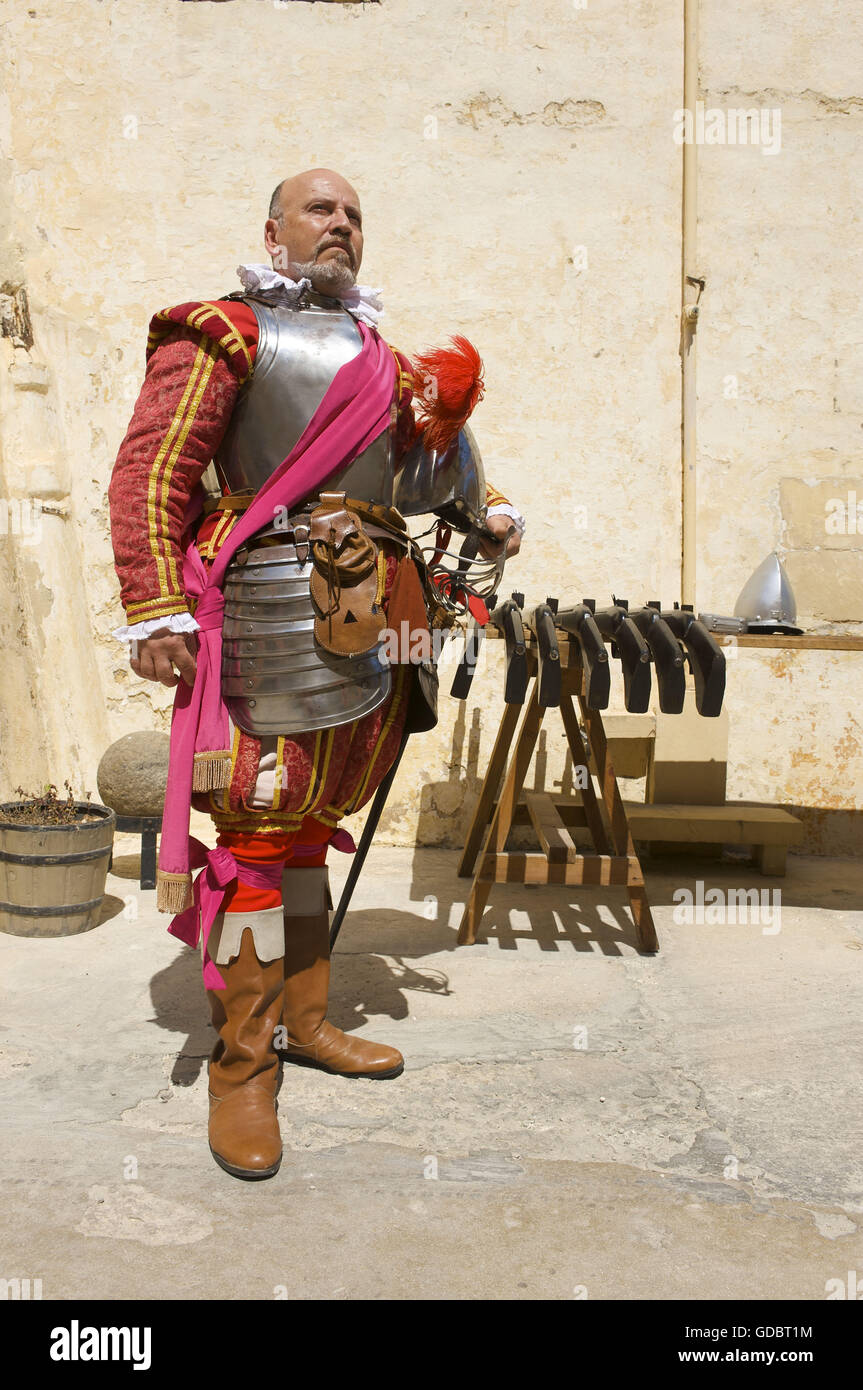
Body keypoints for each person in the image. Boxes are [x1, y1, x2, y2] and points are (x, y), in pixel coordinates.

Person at [109, 169, 524, 1180]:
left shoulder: (384, 358)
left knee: (305, 825)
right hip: (269, 602)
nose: (339, 226)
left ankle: (305, 1020)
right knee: (255, 820)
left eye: (353, 216)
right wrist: (154, 602)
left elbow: (417, 473)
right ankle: (241, 1067)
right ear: (273, 229)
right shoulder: (225, 330)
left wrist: (488, 503)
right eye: (319, 210)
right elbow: (153, 468)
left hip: (379, 610)